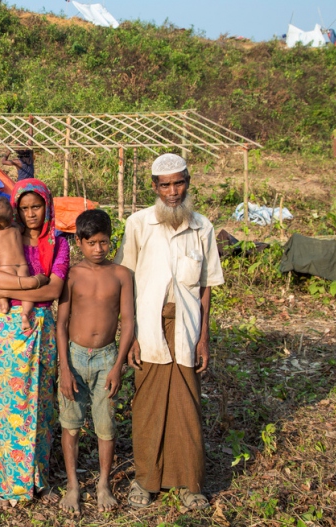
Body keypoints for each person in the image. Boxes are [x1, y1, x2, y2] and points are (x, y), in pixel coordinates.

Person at [115, 154, 223, 511]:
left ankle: (190, 484)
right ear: (154, 187)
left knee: (186, 406)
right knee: (146, 406)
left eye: (179, 183)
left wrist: (203, 337)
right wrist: (127, 335)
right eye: (165, 185)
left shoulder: (202, 227)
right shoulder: (138, 223)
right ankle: (145, 480)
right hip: (147, 326)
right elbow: (124, 280)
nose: (173, 191)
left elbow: (206, 287)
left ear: (188, 183)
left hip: (187, 328)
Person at [0, 179, 70, 505]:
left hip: (40, 326)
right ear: (16, 209)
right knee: (7, 407)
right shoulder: (5, 236)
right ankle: (9, 484)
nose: (31, 213)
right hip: (5, 330)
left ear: (47, 206)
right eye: (25, 207)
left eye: (37, 206)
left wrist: (7, 290)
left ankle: (37, 481)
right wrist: (26, 284)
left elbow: (53, 291)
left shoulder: (58, 243)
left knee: (42, 406)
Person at [56, 209, 134, 516]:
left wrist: (118, 366)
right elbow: (61, 323)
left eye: (104, 242)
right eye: (92, 243)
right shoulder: (72, 275)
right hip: (74, 356)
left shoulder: (121, 275)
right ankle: (73, 485)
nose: (99, 249)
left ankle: (103, 483)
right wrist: (64, 368)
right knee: (70, 424)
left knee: (105, 426)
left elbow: (128, 322)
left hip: (107, 357)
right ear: (79, 241)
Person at [0, 196, 34, 331]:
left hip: (6, 268)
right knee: (27, 293)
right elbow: (21, 229)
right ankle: (25, 314)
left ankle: (4, 305)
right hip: (23, 268)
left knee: (0, 288)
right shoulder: (16, 230)